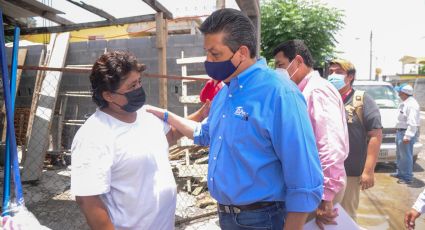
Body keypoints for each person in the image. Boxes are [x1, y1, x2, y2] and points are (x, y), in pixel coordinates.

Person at [147, 8, 323, 230]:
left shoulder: (278, 92)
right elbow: (206, 134)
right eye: (207, 53)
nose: (208, 61)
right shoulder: (225, 93)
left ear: (242, 52)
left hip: (263, 218)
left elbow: (303, 174)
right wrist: (166, 115)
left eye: (215, 54)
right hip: (227, 216)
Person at [71, 51, 180, 230]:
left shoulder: (146, 115)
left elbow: (170, 136)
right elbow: (87, 199)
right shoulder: (94, 136)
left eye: (139, 82)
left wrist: (203, 113)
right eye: (131, 86)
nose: (139, 89)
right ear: (108, 95)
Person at [273, 40, 349, 229]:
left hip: (320, 188)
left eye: (281, 65)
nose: (278, 72)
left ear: (298, 61)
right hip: (313, 185)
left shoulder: (316, 91)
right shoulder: (304, 90)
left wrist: (326, 195)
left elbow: (330, 143)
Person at [327, 59, 383, 221]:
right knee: (323, 217)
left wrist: (368, 171)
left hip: (350, 172)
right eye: (330, 72)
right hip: (326, 171)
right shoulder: (326, 97)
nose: (333, 76)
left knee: (345, 216)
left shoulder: (362, 100)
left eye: (338, 72)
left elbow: (375, 135)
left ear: (350, 76)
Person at [392, 84, 420, 184]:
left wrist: (407, 136)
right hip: (401, 131)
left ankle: (407, 177)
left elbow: (413, 123)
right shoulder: (405, 103)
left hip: (405, 133)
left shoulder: (411, 105)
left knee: (406, 156)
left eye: (399, 92)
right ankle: (400, 173)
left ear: (404, 93)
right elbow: (402, 117)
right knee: (400, 155)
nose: (398, 94)